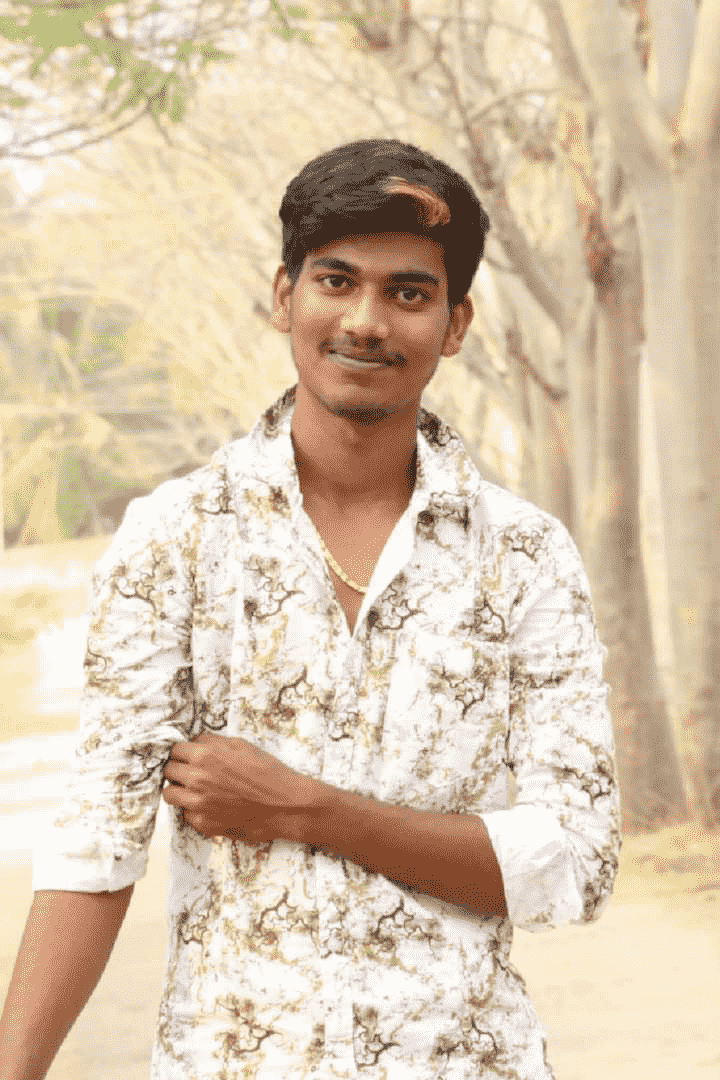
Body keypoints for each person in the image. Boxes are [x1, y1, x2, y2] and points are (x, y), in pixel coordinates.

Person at [0, 138, 621, 1080]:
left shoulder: (525, 555)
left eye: (408, 293)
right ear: (285, 296)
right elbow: (97, 842)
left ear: (455, 323)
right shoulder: (177, 537)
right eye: (337, 281)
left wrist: (306, 809)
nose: (366, 321)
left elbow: (575, 865)